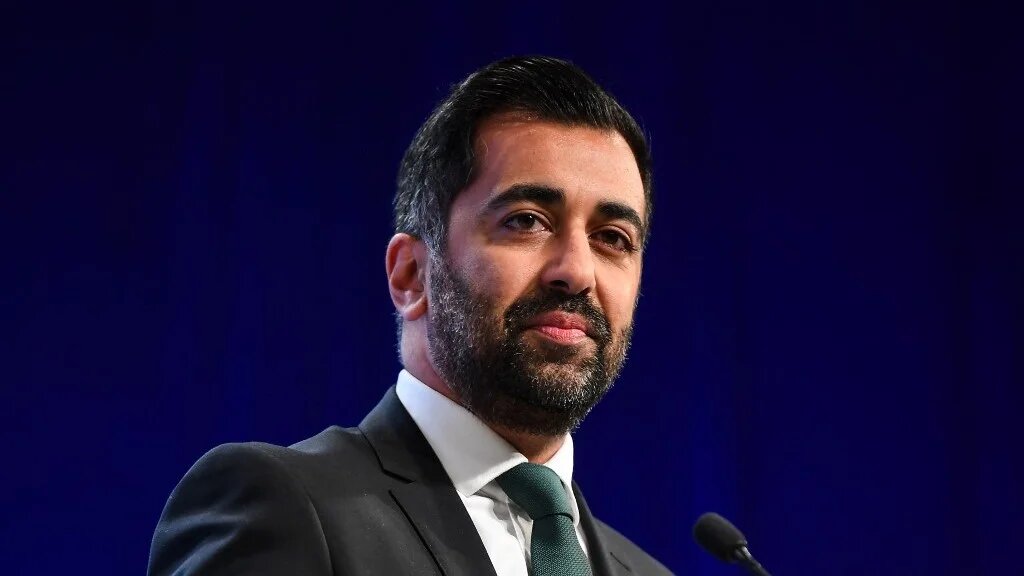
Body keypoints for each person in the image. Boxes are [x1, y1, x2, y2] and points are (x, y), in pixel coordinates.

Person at [148, 55, 672, 576]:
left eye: (612, 238)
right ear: (410, 276)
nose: (577, 271)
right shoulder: (283, 507)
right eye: (527, 221)